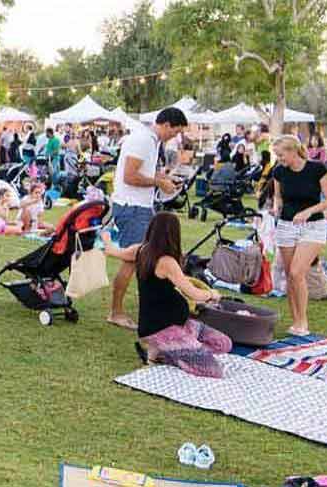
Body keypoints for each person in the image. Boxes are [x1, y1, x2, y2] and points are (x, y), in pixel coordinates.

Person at [101, 212, 231, 378]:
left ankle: (171, 349)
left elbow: (112, 251)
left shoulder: (140, 250)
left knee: (223, 344)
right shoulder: (165, 262)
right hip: (161, 328)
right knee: (213, 370)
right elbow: (193, 293)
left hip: (179, 322)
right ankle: (165, 353)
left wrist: (105, 236)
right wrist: (211, 293)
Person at [108, 107, 186, 330]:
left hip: (139, 206)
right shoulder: (143, 140)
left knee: (141, 258)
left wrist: (164, 178)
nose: (175, 136)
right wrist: (159, 183)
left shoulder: (151, 141)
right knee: (132, 259)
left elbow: (143, 171)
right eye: (175, 131)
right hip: (131, 207)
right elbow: (130, 176)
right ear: (166, 124)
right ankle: (116, 312)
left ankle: (126, 309)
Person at [271, 135, 327, 336]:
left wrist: (308, 211)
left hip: (313, 226)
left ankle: (303, 321)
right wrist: (276, 207)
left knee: (298, 272)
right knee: (290, 276)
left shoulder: (317, 169)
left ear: (292, 151)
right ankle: (296, 321)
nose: (279, 159)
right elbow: (278, 196)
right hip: (286, 225)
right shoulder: (279, 171)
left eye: (281, 155)